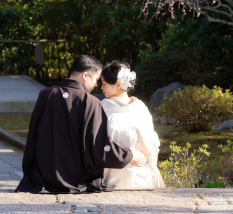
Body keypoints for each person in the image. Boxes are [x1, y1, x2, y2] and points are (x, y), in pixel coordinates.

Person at [15, 54, 148, 193]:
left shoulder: (45, 95)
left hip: (42, 177)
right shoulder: (90, 102)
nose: (96, 85)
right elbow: (100, 146)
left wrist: (30, 173)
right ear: (85, 75)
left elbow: (32, 139)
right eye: (96, 79)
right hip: (75, 180)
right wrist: (128, 156)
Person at [100, 61, 165, 190]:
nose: (101, 88)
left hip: (141, 174)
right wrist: (128, 156)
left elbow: (151, 142)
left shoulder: (140, 108)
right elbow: (98, 142)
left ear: (118, 84)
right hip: (114, 175)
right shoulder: (103, 107)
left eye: (104, 84)